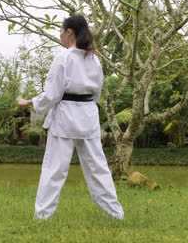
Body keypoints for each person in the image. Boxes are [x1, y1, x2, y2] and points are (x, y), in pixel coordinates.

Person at [18, 15, 124, 220]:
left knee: (54, 170)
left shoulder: (63, 57)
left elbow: (52, 94)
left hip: (65, 118)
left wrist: (30, 102)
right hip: (88, 117)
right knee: (98, 168)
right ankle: (115, 214)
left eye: (60, 30)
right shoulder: (94, 59)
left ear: (68, 32)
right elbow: (97, 93)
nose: (59, 34)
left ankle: (42, 216)